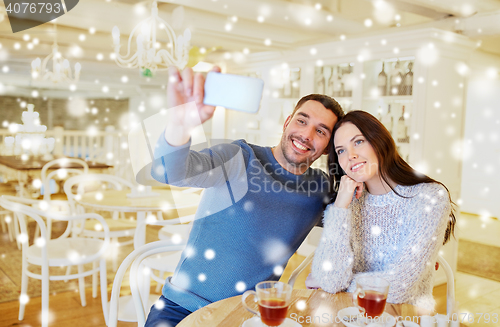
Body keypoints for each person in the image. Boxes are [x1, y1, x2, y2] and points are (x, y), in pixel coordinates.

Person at [145, 66, 345, 326]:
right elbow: (168, 172)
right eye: (302, 120)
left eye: (321, 131)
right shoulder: (239, 157)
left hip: (249, 316)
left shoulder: (319, 188)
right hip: (182, 308)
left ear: (328, 145)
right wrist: (179, 125)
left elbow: (352, 225)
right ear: (287, 122)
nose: (306, 135)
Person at [306, 110, 456, 310]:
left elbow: (400, 288)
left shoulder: (429, 197)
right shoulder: (349, 202)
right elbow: (329, 277)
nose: (351, 155)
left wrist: (341, 283)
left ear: (379, 141)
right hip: (347, 316)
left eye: (358, 141)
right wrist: (340, 205)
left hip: (405, 318)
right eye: (341, 150)